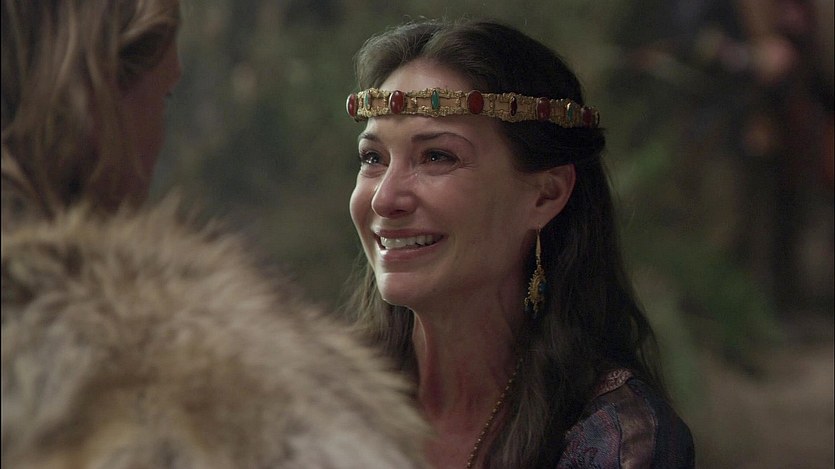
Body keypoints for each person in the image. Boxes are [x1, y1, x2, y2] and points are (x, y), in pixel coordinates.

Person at [1, 1, 426, 467]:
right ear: (93, 104)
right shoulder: (227, 399)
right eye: (165, 97)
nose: (386, 199)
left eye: (437, 158)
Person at [343, 18, 695, 468]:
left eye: (436, 156)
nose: (385, 198)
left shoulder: (616, 440)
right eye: (373, 158)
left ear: (545, 195)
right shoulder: (306, 404)